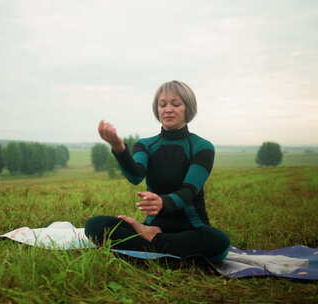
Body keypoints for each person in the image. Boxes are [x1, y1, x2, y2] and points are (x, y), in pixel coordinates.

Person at [84, 80, 230, 263]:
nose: (168, 109)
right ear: (157, 110)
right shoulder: (146, 145)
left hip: (191, 229)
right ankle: (165, 253)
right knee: (95, 225)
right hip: (152, 225)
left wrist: (163, 202)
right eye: (162, 105)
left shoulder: (202, 147)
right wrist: (118, 147)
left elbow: (189, 190)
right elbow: (135, 175)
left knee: (219, 243)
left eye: (175, 104)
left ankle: (149, 246)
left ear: (188, 108)